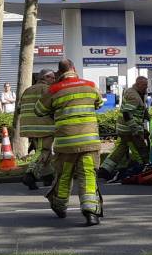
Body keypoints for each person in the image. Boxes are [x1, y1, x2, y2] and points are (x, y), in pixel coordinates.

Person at [35, 59, 104, 226]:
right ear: (74, 69)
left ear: (59, 72)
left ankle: (60, 206)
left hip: (66, 144)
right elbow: (99, 103)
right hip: (89, 141)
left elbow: (39, 110)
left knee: (64, 175)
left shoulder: (54, 89)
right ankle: (90, 212)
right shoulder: (90, 85)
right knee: (88, 174)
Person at [98, 76, 150, 180]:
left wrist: (147, 115)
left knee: (120, 150)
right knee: (139, 149)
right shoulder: (134, 96)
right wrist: (136, 130)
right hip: (129, 130)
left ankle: (104, 169)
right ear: (138, 84)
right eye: (144, 86)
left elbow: (139, 108)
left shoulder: (135, 92)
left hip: (124, 129)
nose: (146, 88)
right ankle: (142, 167)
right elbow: (127, 113)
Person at [18, 69, 56, 190]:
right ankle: (30, 175)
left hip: (29, 126)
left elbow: (19, 108)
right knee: (44, 151)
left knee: (43, 152)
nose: (54, 80)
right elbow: (53, 106)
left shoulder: (27, 90)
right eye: (52, 77)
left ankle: (48, 177)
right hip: (44, 126)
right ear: (45, 77)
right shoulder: (47, 90)